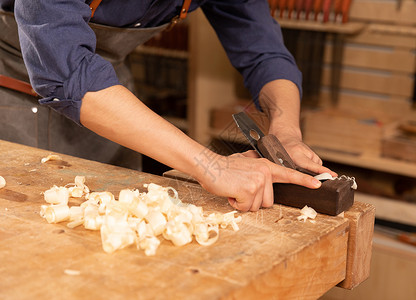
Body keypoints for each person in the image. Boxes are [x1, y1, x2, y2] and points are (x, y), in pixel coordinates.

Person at [0, 0, 335, 212]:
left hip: (111, 97)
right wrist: (211, 166)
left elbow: (265, 54)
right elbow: (66, 71)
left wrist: (286, 132)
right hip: (12, 92)